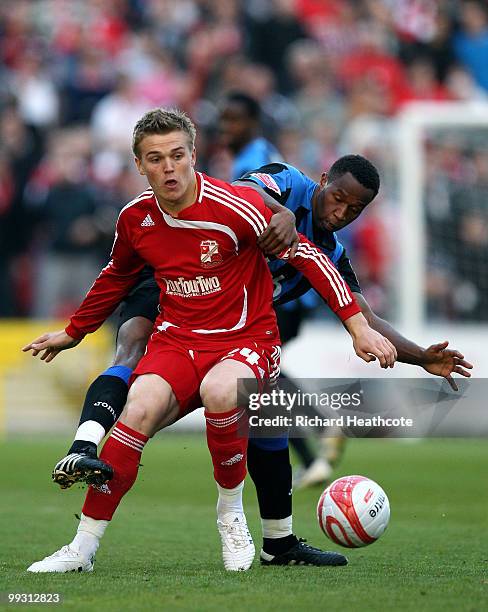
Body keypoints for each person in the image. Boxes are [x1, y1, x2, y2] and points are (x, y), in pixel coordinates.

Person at [23, 108, 396, 573]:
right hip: (177, 340)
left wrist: (359, 328)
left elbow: (309, 258)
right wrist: (73, 332)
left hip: (246, 337)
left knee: (227, 393)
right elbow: (115, 276)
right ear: (139, 165)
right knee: (137, 407)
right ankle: (81, 548)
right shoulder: (134, 217)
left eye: (177, 155)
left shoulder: (235, 204)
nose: (168, 167)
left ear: (193, 156)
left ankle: (230, 512)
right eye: (155, 159)